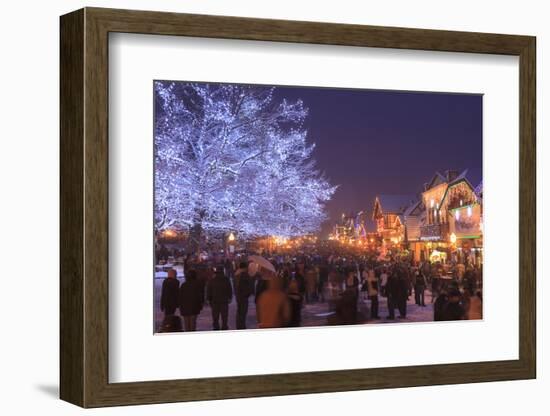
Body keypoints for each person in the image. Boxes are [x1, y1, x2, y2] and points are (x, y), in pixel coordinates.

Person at [234, 262, 253, 329]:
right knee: (243, 312)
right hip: (243, 296)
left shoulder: (236, 274)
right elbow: (248, 285)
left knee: (239, 312)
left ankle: (239, 326)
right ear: (245, 267)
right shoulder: (244, 275)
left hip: (238, 296)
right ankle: (241, 326)